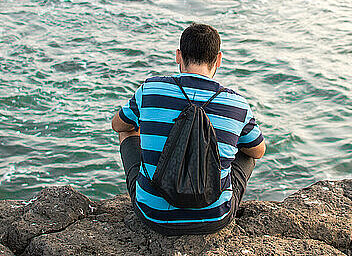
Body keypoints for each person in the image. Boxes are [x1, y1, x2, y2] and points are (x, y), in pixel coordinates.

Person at [111, 23, 265, 235]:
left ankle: (152, 193)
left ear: (178, 55)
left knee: (128, 129)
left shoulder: (151, 88)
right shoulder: (237, 104)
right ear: (218, 59)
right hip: (214, 218)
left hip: (152, 214)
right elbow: (259, 151)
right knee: (248, 149)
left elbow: (117, 125)